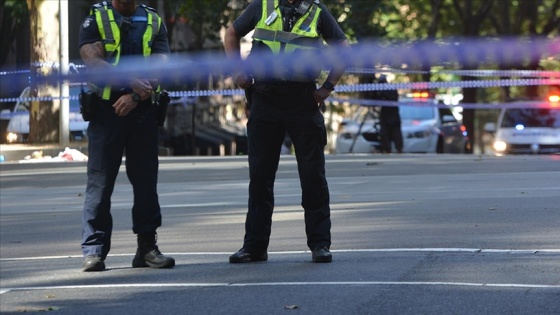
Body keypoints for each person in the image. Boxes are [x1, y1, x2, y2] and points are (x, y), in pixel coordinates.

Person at [224, 0, 350, 263]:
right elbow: (232, 33)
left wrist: (327, 87)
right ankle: (254, 247)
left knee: (312, 176)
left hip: (302, 101)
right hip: (265, 100)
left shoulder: (317, 11)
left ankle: (319, 244)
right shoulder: (262, 6)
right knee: (260, 177)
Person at [78, 0, 174, 271]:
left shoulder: (154, 21)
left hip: (142, 111)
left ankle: (147, 248)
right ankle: (94, 251)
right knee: (100, 183)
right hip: (105, 113)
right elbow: (93, 62)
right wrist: (129, 82)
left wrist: (133, 95)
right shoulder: (96, 19)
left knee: (146, 182)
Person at [375, 75, 403, 153]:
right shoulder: (380, 90)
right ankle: (387, 148)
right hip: (385, 115)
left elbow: (393, 98)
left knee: (396, 133)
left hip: (393, 116)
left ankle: (398, 148)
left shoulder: (391, 89)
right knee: (385, 133)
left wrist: (383, 94)